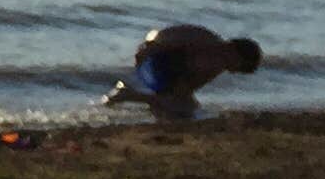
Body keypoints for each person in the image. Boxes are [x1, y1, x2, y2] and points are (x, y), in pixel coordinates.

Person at [104, 24, 262, 121]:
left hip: (160, 62)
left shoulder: (215, 56)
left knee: (183, 108)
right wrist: (149, 51)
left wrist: (184, 101)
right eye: (238, 67)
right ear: (236, 54)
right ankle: (128, 94)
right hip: (156, 60)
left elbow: (188, 88)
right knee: (178, 106)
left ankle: (144, 99)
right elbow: (170, 42)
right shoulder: (209, 45)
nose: (233, 72)